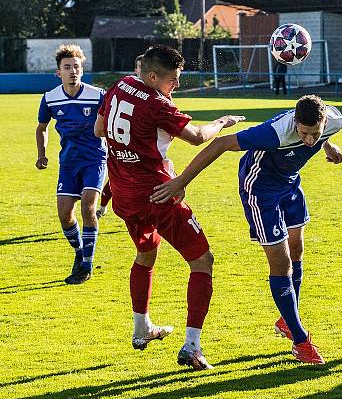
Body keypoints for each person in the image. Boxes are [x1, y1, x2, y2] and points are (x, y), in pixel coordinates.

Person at [150, 95, 342, 365]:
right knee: (282, 263)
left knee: (297, 247)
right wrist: (181, 181)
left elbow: (320, 135)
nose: (310, 140)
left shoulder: (334, 121)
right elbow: (219, 144)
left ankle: (287, 321)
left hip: (289, 183)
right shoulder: (273, 133)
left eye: (316, 133)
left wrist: (327, 145)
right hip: (260, 189)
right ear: (295, 124)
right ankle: (301, 341)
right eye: (304, 133)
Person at [96, 45, 245, 370]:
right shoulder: (156, 103)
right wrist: (224, 121)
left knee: (146, 253)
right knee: (202, 260)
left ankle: (141, 328)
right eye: (173, 80)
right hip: (160, 195)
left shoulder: (120, 85)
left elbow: (98, 131)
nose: (176, 86)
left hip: (125, 196)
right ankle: (192, 346)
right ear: (153, 76)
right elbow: (197, 136)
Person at [35, 44, 106, 285]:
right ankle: (79, 252)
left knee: (88, 205)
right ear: (59, 72)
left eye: (76, 67)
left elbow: (109, 124)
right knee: (65, 214)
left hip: (95, 159)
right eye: (67, 67)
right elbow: (42, 128)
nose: (73, 71)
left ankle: (87, 263)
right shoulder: (50, 98)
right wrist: (41, 154)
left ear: (82, 70)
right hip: (68, 162)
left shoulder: (97, 96)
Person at [98, 54, 145, 219]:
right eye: (140, 67)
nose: (143, 71)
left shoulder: (155, 93)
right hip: (123, 149)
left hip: (143, 151)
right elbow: (99, 128)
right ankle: (103, 207)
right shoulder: (125, 87)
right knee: (116, 181)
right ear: (136, 69)